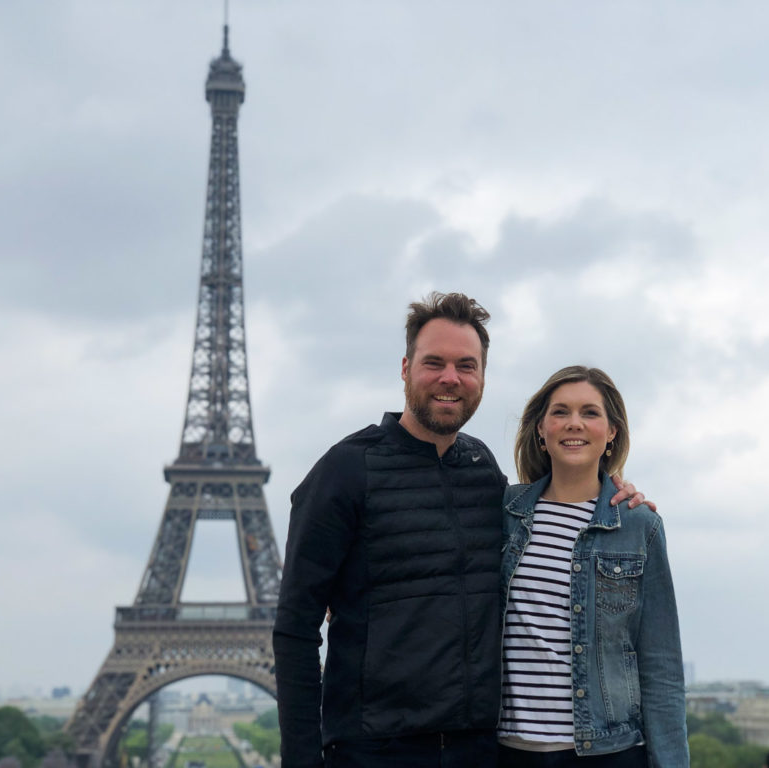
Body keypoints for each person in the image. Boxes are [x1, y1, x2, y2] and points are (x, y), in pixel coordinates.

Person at [274, 294, 646, 768]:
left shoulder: (483, 469)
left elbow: (552, 511)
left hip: (481, 749)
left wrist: (616, 495)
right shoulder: (346, 471)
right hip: (375, 752)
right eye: (435, 363)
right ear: (405, 368)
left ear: (482, 378)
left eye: (466, 366)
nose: (451, 378)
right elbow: (295, 630)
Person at [499, 366, 687, 767]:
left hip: (607, 754)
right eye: (560, 412)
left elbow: (662, 668)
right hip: (506, 753)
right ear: (540, 429)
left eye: (590, 412)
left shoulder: (639, 526)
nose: (574, 424)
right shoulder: (503, 513)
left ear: (612, 431)